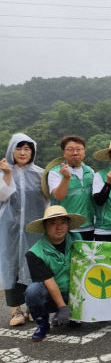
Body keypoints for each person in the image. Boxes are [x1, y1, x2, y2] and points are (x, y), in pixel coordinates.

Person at [0, 133, 46, 327]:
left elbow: (49, 199)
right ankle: (15, 309)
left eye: (27, 148)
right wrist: (8, 175)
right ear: (12, 150)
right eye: (19, 148)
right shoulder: (2, 172)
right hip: (8, 228)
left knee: (33, 265)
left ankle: (32, 307)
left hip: (33, 229)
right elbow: (3, 196)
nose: (23, 152)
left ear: (33, 152)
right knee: (10, 266)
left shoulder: (40, 173)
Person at [24, 205, 86, 341]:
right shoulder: (34, 253)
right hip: (50, 297)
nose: (59, 227)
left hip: (75, 291)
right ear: (45, 227)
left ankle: (73, 315)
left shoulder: (77, 239)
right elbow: (49, 280)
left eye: (63, 222)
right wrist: (62, 306)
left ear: (68, 225)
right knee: (33, 291)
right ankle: (42, 324)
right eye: (53, 223)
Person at [44, 135, 96, 241]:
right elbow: (58, 196)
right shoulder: (55, 172)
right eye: (70, 149)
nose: (75, 153)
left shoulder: (90, 171)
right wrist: (66, 178)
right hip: (66, 228)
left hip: (89, 226)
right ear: (64, 153)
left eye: (79, 149)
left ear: (84, 152)